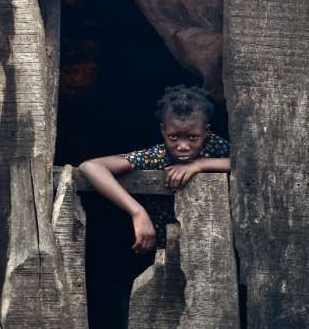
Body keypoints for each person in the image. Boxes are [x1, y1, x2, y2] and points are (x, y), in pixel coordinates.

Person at [79, 84, 230, 254]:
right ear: (163, 131)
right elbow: (91, 167)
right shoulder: (156, 156)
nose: (183, 146)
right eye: (173, 137)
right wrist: (137, 212)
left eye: (192, 138)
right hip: (165, 249)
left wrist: (200, 165)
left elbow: (247, 165)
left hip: (215, 245)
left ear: (206, 132)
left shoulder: (216, 147)